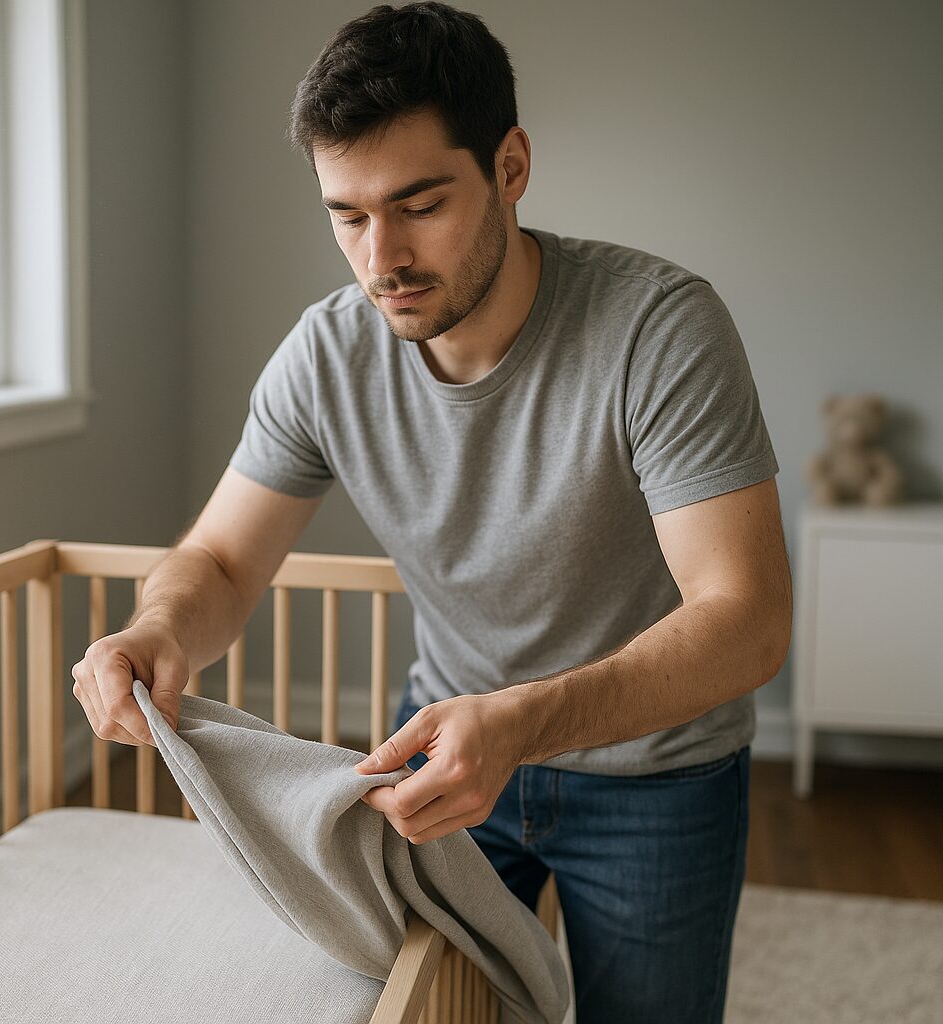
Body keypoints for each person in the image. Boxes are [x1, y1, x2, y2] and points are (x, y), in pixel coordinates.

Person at [72, 3, 792, 1021]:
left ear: (509, 167)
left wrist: (518, 721)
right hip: (443, 751)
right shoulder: (326, 353)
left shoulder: (658, 330)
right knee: (414, 1006)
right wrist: (154, 629)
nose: (382, 260)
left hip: (655, 773)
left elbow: (746, 618)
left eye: (418, 204)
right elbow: (223, 564)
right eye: (348, 215)